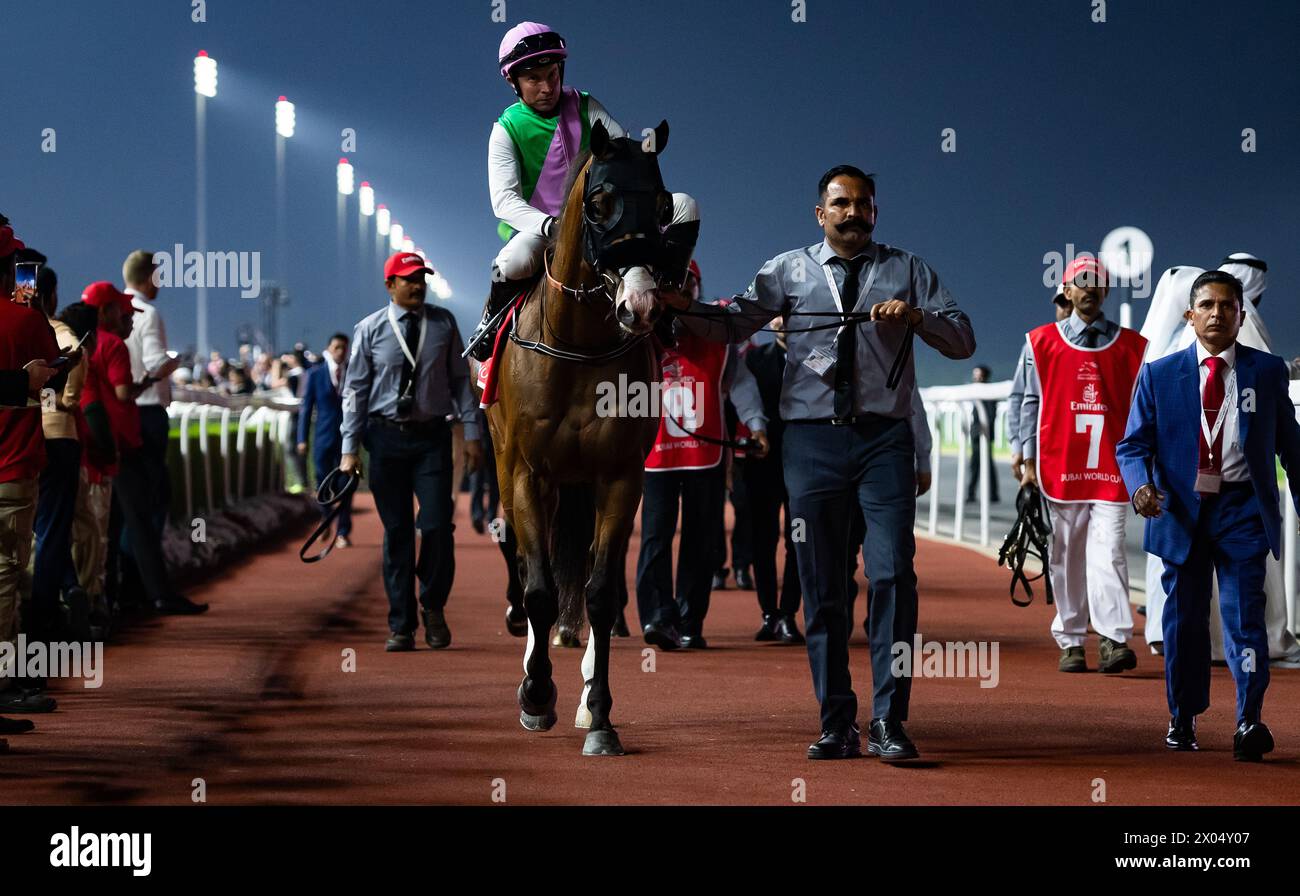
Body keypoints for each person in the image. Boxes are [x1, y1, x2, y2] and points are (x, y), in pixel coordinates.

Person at [665, 165, 975, 761]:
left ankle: (890, 721)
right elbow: (733, 322)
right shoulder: (785, 271)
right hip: (809, 445)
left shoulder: (908, 270)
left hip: (885, 441)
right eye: (840, 203)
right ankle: (837, 722)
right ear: (820, 213)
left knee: (893, 575)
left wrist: (915, 316)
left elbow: (963, 340)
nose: (852, 213)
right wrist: (678, 307)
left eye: (863, 204)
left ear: (875, 212)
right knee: (823, 585)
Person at [1117, 270, 1300, 761]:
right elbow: (1132, 445)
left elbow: (1292, 448)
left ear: (1242, 316)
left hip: (1242, 510)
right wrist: (1140, 489)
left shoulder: (1266, 372)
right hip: (1179, 511)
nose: (1218, 313)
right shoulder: (1158, 374)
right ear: (1189, 315)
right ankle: (1183, 715)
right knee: (1185, 623)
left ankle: (1249, 719)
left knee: (1246, 621)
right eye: (1208, 305)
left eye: (1228, 306)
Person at [465, 21, 700, 360]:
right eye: (534, 79)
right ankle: (489, 322)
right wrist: (551, 226)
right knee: (510, 263)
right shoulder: (505, 131)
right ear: (512, 81)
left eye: (553, 75)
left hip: (602, 221)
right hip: (545, 228)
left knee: (686, 206)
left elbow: (623, 153)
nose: (547, 87)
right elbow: (504, 202)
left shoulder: (586, 105)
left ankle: (664, 298)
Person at [339, 252, 481, 651]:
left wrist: (472, 434)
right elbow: (355, 393)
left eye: (421, 277)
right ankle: (401, 625)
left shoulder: (444, 323)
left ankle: (432, 605)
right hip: (384, 440)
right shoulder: (368, 330)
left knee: (436, 526)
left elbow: (460, 382)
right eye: (408, 279)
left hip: (432, 438)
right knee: (398, 531)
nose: (417, 285)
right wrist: (349, 450)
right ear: (390, 286)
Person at [1019, 255, 1145, 674]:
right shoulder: (1040, 342)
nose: (1089, 288)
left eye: (1097, 282)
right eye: (1081, 282)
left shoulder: (1133, 346)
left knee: (1109, 549)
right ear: (1066, 292)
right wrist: (1026, 456)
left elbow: (1144, 407)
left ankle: (1113, 638)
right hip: (1061, 466)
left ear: (1105, 291)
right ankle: (1071, 638)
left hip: (1112, 466)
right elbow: (1028, 401)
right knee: (1066, 552)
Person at [636, 261, 767, 650]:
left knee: (701, 539)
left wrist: (756, 424)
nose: (678, 290)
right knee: (655, 536)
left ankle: (690, 620)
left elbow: (740, 383)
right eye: (669, 284)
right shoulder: (641, 330)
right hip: (655, 453)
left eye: (686, 282)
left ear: (696, 286)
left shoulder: (718, 333)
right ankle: (658, 618)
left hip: (706, 453)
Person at [83, 282, 204, 616]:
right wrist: (153, 378)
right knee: (140, 521)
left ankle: (117, 596)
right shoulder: (112, 346)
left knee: (111, 524)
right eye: (125, 314)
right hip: (122, 444)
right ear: (107, 312)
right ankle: (157, 594)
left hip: (102, 444)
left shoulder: (89, 344)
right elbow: (123, 393)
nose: (131, 321)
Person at [0, 218, 61, 717]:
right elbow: (52, 373)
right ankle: (5, 683)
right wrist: (28, 302)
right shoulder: (25, 318)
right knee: (7, 573)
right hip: (13, 464)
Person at [31, 261, 92, 646]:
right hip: (56, 437)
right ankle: (47, 618)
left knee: (35, 532)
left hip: (21, 438)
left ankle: (54, 602)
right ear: (51, 296)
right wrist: (66, 401)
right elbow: (76, 355)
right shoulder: (54, 329)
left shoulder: (18, 326)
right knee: (52, 533)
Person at [1008, 286, 1072, 482]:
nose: (1067, 309)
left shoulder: (1102, 345)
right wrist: (1018, 445)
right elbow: (1019, 396)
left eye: (1071, 304)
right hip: (1046, 451)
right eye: (1062, 304)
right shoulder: (1037, 344)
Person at [297, 333, 353, 548]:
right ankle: (326, 517)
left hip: (346, 439)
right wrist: (302, 438)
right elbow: (306, 408)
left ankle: (343, 531)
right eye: (337, 347)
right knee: (321, 482)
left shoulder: (354, 374)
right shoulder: (315, 375)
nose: (340, 351)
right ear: (329, 348)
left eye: (344, 348)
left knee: (345, 485)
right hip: (322, 437)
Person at [966, 364, 999, 503]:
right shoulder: (977, 391)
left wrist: (983, 432)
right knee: (978, 465)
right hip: (976, 435)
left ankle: (979, 494)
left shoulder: (988, 392)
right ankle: (987, 494)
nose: (975, 377)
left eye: (978, 375)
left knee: (982, 466)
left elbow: (991, 416)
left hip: (983, 435)